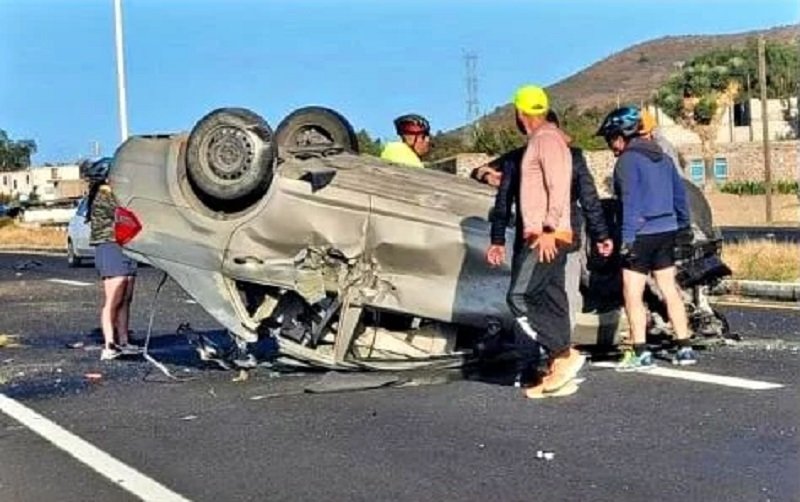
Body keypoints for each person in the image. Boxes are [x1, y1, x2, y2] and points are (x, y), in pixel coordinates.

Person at [482, 110, 613, 387]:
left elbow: (503, 199)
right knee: (556, 297)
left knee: (523, 296)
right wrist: (601, 234)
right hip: (566, 237)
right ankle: (556, 362)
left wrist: (497, 238)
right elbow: (589, 198)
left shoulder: (522, 155)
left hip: (538, 237)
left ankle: (547, 360)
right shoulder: (570, 154)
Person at [596, 106, 697, 370]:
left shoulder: (627, 162)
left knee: (632, 291)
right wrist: (684, 227)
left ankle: (640, 351)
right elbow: (679, 196)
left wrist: (627, 240)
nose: (610, 145)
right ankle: (684, 347)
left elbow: (630, 203)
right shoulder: (663, 159)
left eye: (610, 138)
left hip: (641, 234)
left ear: (621, 135)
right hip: (667, 231)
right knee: (669, 289)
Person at [501, 85, 585, 397]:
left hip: (546, 235)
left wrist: (548, 227)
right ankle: (558, 369)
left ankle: (563, 353)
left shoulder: (546, 139)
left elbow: (559, 185)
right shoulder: (545, 139)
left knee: (519, 296)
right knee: (550, 297)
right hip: (546, 233)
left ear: (521, 114)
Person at [83, 158, 140, 361]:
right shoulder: (104, 196)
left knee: (126, 296)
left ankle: (124, 341)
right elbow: (127, 211)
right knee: (114, 299)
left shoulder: (114, 194)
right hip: (109, 246)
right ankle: (109, 344)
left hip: (125, 246)